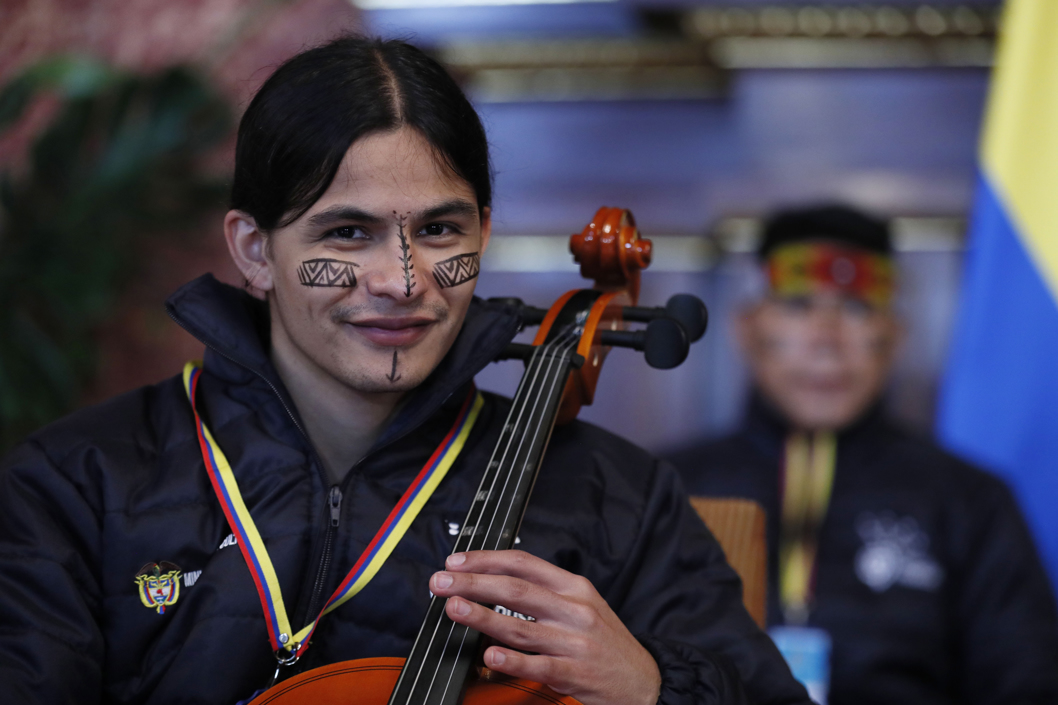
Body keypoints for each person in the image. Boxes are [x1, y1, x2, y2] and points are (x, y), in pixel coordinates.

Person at [0, 37, 810, 705]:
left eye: (439, 230)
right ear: (254, 249)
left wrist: (652, 688)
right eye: (346, 233)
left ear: (484, 232)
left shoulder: (614, 498)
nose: (402, 278)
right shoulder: (78, 485)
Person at [667, 204, 1058, 705]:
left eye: (857, 309)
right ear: (747, 329)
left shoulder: (968, 499)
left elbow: (1027, 684)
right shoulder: (666, 486)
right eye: (799, 305)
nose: (827, 341)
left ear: (894, 336)